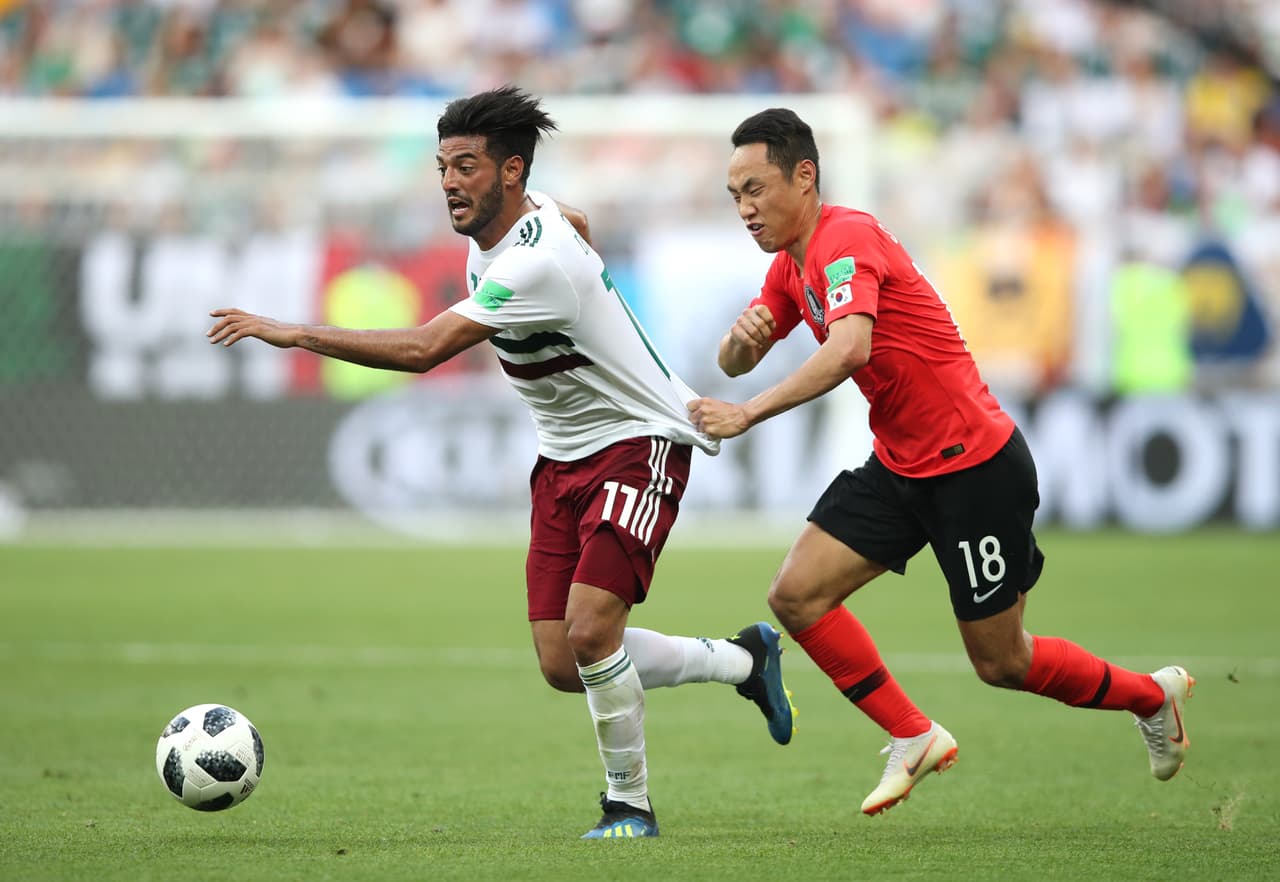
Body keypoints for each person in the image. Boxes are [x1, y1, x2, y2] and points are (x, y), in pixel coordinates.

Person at [207, 86, 796, 839]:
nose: (450, 181)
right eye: (443, 166)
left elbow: (425, 350)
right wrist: (581, 243)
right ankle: (743, 660)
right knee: (561, 661)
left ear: (510, 172)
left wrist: (295, 333)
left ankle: (629, 805)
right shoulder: (520, 222)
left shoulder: (535, 263)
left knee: (591, 632)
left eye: (467, 167)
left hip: (639, 441)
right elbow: (571, 218)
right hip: (561, 461)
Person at [687, 107, 1192, 817]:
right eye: (733, 194)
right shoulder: (790, 265)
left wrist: (747, 413)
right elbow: (734, 359)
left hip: (974, 467)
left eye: (755, 188)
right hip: (901, 464)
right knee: (796, 595)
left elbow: (849, 349)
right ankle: (912, 734)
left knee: (1002, 662)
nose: (744, 207)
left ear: (805, 176)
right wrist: (741, 344)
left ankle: (1152, 696)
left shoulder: (845, 237)